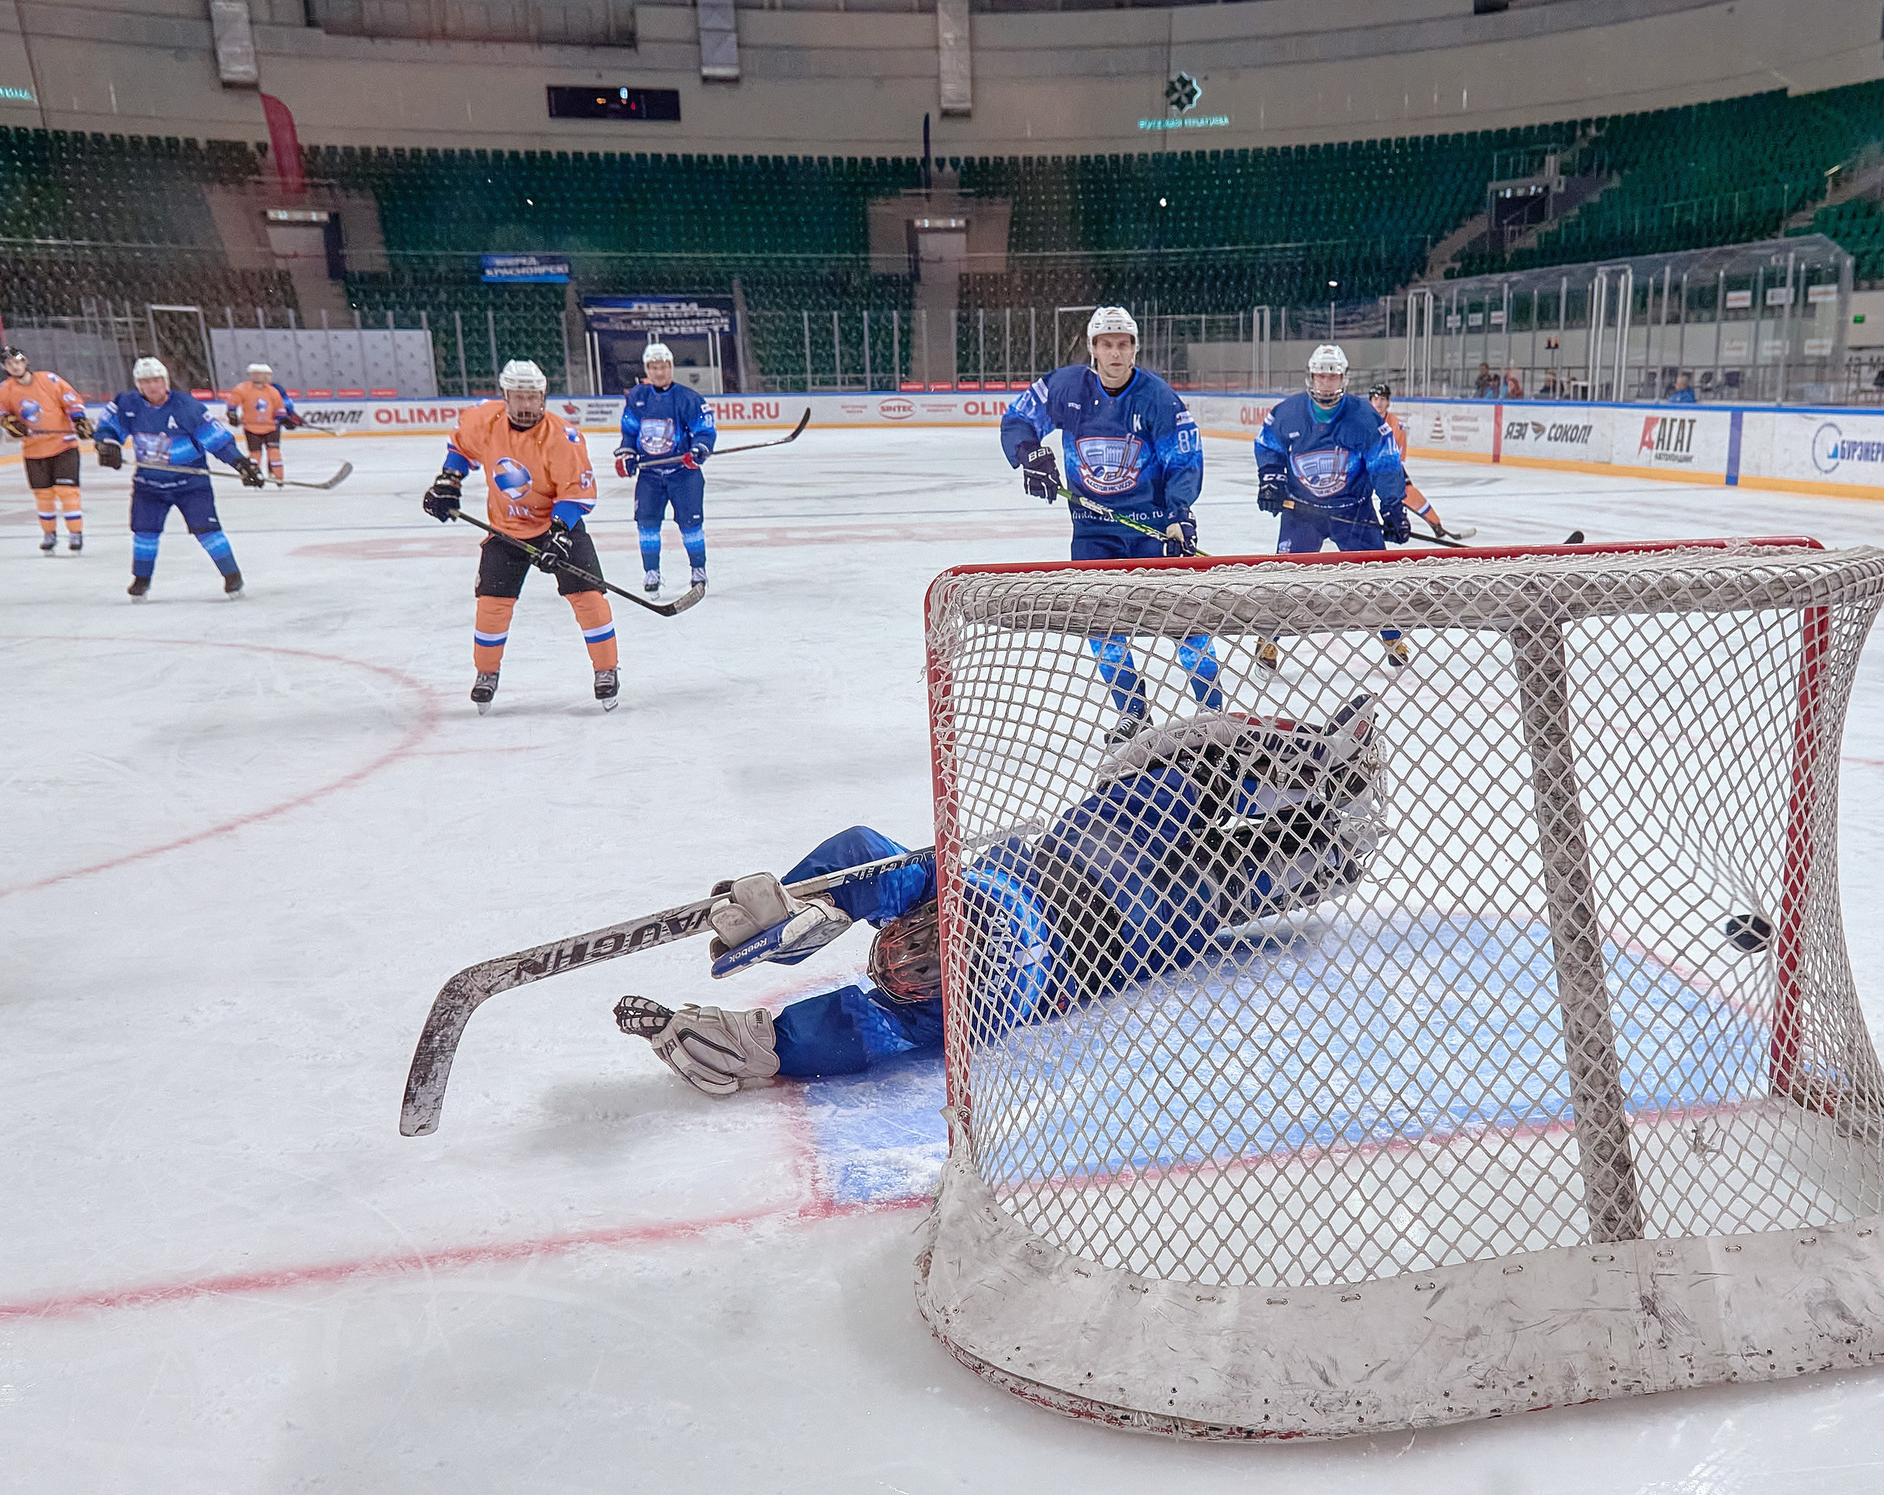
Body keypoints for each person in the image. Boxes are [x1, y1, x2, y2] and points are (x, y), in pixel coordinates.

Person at [613, 696, 1385, 1093]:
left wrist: (817, 900)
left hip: (1126, 876)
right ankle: (1328, 789)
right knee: (1269, 843)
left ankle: (1324, 777)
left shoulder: (943, 998)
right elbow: (861, 1009)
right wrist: (773, 1043)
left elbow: (875, 874)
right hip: (1132, 884)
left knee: (1220, 798)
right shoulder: (953, 997)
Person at [1000, 305, 1220, 743]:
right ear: (1093, 348)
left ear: (1135, 349)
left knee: (1183, 621)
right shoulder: (1066, 387)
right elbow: (1018, 419)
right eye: (1106, 344)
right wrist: (1030, 453)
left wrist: (1179, 514)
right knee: (1102, 626)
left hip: (1150, 528)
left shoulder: (1157, 397)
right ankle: (1132, 712)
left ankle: (1213, 710)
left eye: (1123, 344)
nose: (1115, 353)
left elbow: (1184, 458)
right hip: (1092, 530)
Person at [421, 359, 618, 713]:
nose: (527, 406)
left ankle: (606, 670)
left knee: (589, 597)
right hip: (506, 530)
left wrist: (559, 533)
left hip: (557, 526)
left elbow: (576, 493)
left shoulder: (563, 438)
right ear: (505, 396)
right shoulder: (484, 420)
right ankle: (486, 674)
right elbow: (461, 449)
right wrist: (449, 480)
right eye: (518, 397)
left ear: (543, 397)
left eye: (533, 397)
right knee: (492, 605)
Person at [1254, 344, 1412, 669]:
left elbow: (1384, 462)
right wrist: (1270, 480)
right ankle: (1268, 638)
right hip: (1302, 512)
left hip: (1353, 511)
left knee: (1376, 577)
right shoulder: (1287, 413)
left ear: (1344, 378)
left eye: (1332, 376)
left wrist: (1393, 508)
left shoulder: (1364, 417)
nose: (1326, 383)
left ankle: (1392, 636)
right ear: (1310, 377)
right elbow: (1267, 445)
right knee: (1287, 578)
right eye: (1320, 376)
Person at [90, 356, 264, 600]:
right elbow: (108, 427)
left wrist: (241, 464)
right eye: (146, 381)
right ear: (138, 385)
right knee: (144, 532)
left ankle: (232, 575)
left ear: (166, 382)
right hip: (149, 485)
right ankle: (141, 579)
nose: (152, 386)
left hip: (191, 485)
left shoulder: (186, 406)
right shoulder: (127, 403)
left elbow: (217, 440)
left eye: (157, 380)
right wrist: (107, 445)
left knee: (208, 530)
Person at [614, 341, 716, 597]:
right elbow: (630, 432)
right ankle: (651, 572)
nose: (659, 372)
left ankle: (698, 570)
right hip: (650, 475)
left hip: (683, 474)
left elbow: (704, 430)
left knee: (691, 524)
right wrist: (627, 453)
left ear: (671, 367)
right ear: (647, 369)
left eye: (664, 366)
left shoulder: (688, 398)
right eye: (654, 367)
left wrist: (699, 449)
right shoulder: (637, 397)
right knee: (647, 524)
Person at [0, 346, 91, 555]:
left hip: (63, 445)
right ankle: (49, 534)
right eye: (9, 364)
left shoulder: (49, 380)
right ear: (5, 367)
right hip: (34, 450)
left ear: (25, 362)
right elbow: (5, 415)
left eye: (18, 361)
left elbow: (71, 401)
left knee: (67, 492)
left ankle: (75, 533)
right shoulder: (4, 390)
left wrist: (79, 420)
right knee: (43, 495)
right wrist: (11, 424)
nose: (15, 366)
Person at [1365, 383, 1461, 544]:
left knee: (1408, 491)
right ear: (1370, 401)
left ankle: (1435, 523)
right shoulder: (1362, 421)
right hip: (1362, 467)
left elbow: (1397, 456)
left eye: (1382, 399)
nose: (1379, 403)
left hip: (1386, 469)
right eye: (1375, 399)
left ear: (1388, 402)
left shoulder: (1395, 424)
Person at [223, 362, 306, 484]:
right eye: (259, 374)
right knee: (255, 455)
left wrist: (284, 418)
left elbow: (279, 407)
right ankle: (254, 475)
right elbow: (233, 403)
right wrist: (232, 413)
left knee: (274, 452)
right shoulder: (242, 389)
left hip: (271, 427)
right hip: (251, 427)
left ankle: (278, 477)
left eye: (267, 375)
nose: (265, 377)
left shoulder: (273, 390)